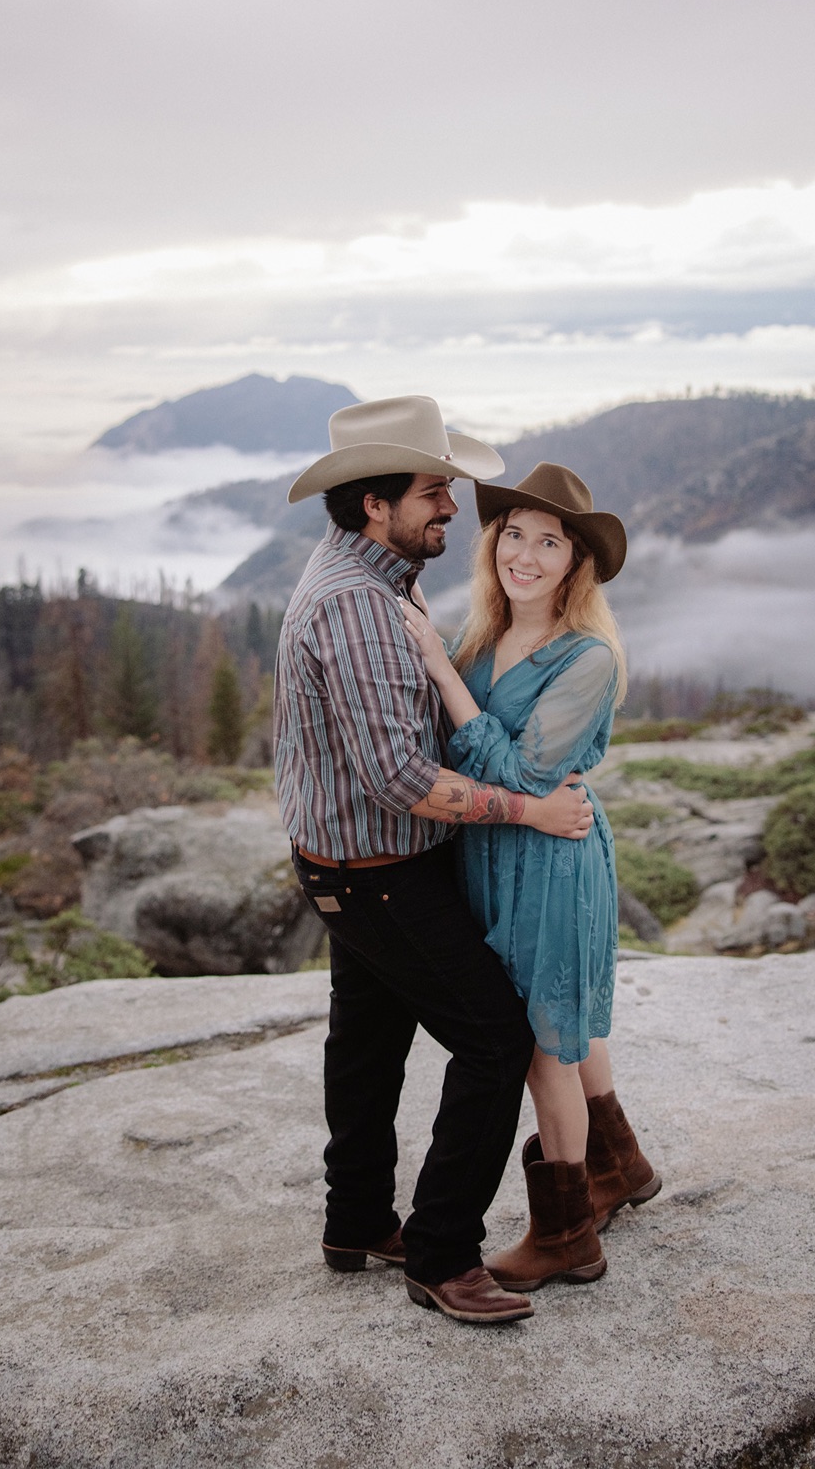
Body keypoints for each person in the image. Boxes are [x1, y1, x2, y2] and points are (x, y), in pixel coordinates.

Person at [273, 398, 596, 1328]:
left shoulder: (374, 571)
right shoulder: (359, 604)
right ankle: (444, 1254)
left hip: (347, 862)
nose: (453, 505)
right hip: (377, 867)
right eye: (433, 491)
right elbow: (400, 779)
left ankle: (358, 1222)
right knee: (496, 1040)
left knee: (368, 1042)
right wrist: (529, 809)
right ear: (374, 502)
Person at [400, 461, 661, 1292]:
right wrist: (443, 657)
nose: (528, 554)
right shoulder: (484, 636)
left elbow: (519, 772)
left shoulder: (587, 659)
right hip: (492, 856)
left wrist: (441, 673)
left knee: (545, 1042)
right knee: (561, 1013)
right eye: (515, 534)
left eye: (550, 543)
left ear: (575, 564)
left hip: (551, 861)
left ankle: (566, 1234)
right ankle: (618, 1166)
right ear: (495, 543)